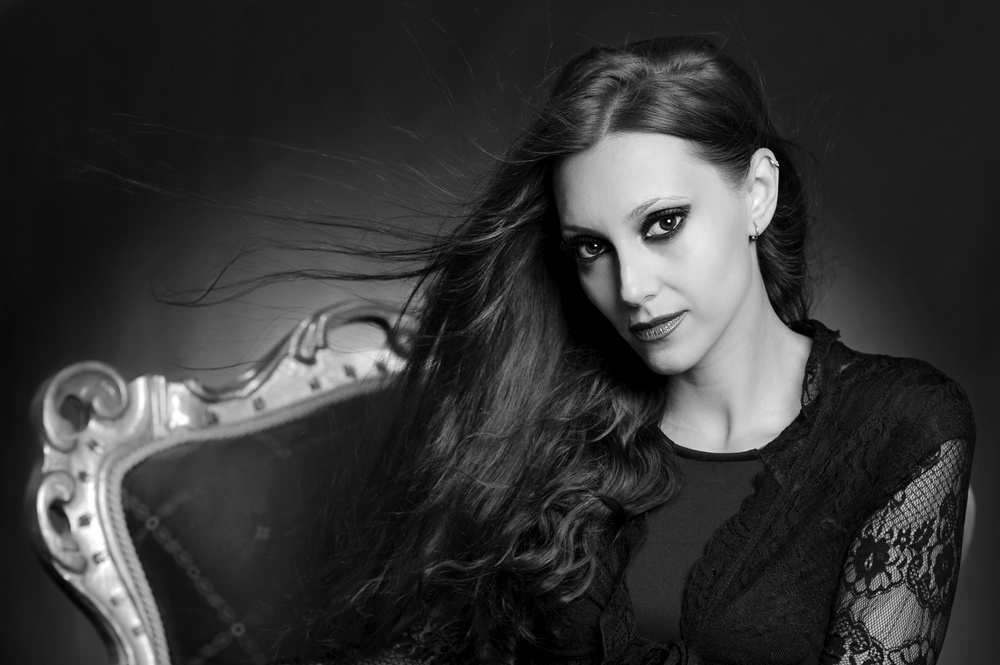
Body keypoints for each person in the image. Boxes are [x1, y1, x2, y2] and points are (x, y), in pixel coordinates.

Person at [301, 35, 975, 665]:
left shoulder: (902, 426)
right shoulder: (545, 430)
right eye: (592, 247)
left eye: (663, 223)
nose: (631, 287)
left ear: (757, 194)